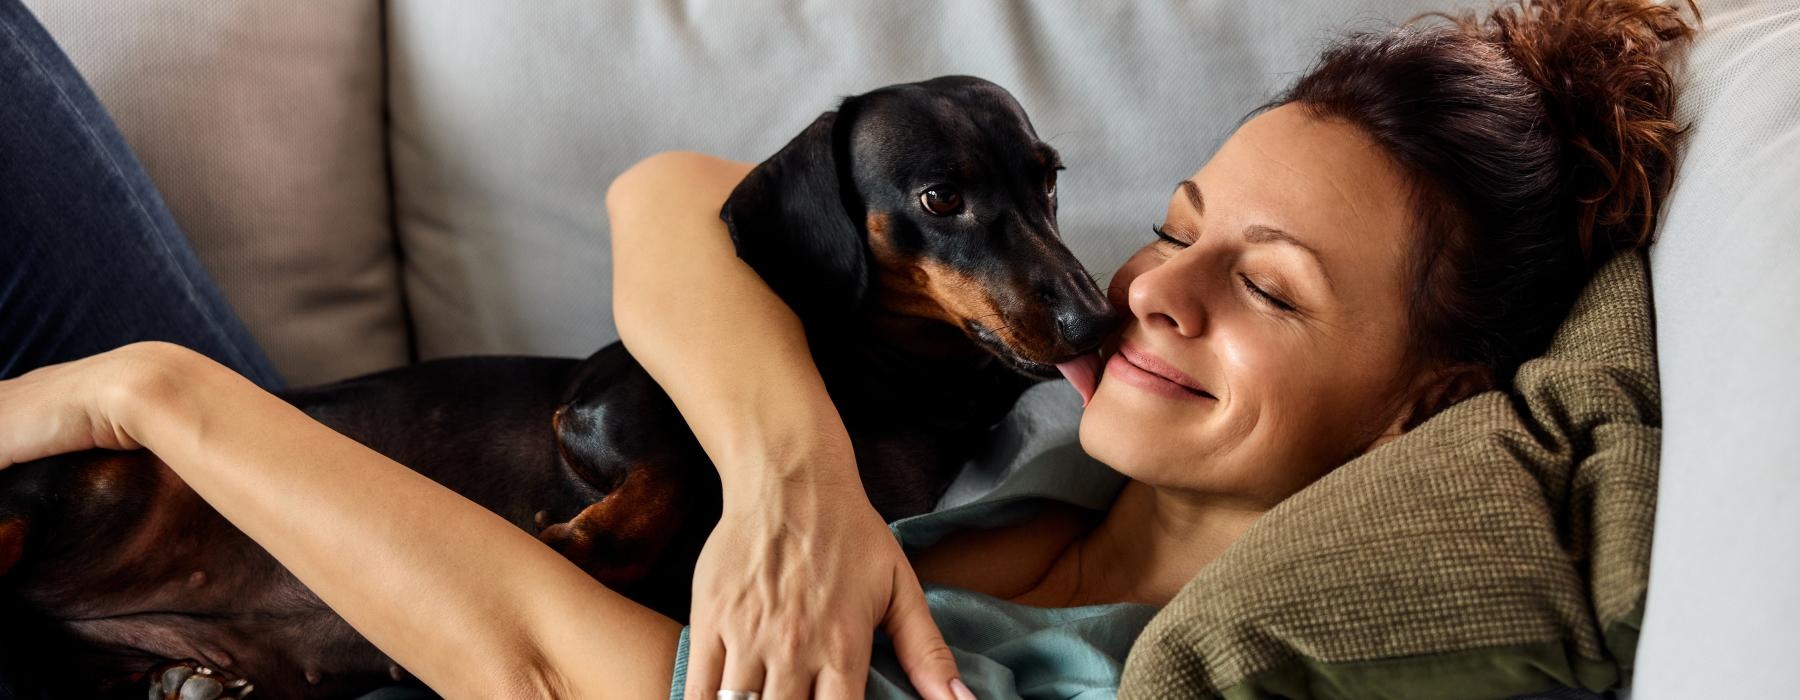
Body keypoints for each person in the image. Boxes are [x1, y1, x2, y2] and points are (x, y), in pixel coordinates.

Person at [0, 0, 1694, 697]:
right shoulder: (1050, 429)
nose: (1146, 297)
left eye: (1272, 289)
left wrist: (145, 388)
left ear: (1427, 412)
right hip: (280, 518)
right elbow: (675, 200)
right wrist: (787, 462)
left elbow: (529, 661)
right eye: (1177, 226)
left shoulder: (1078, 669)